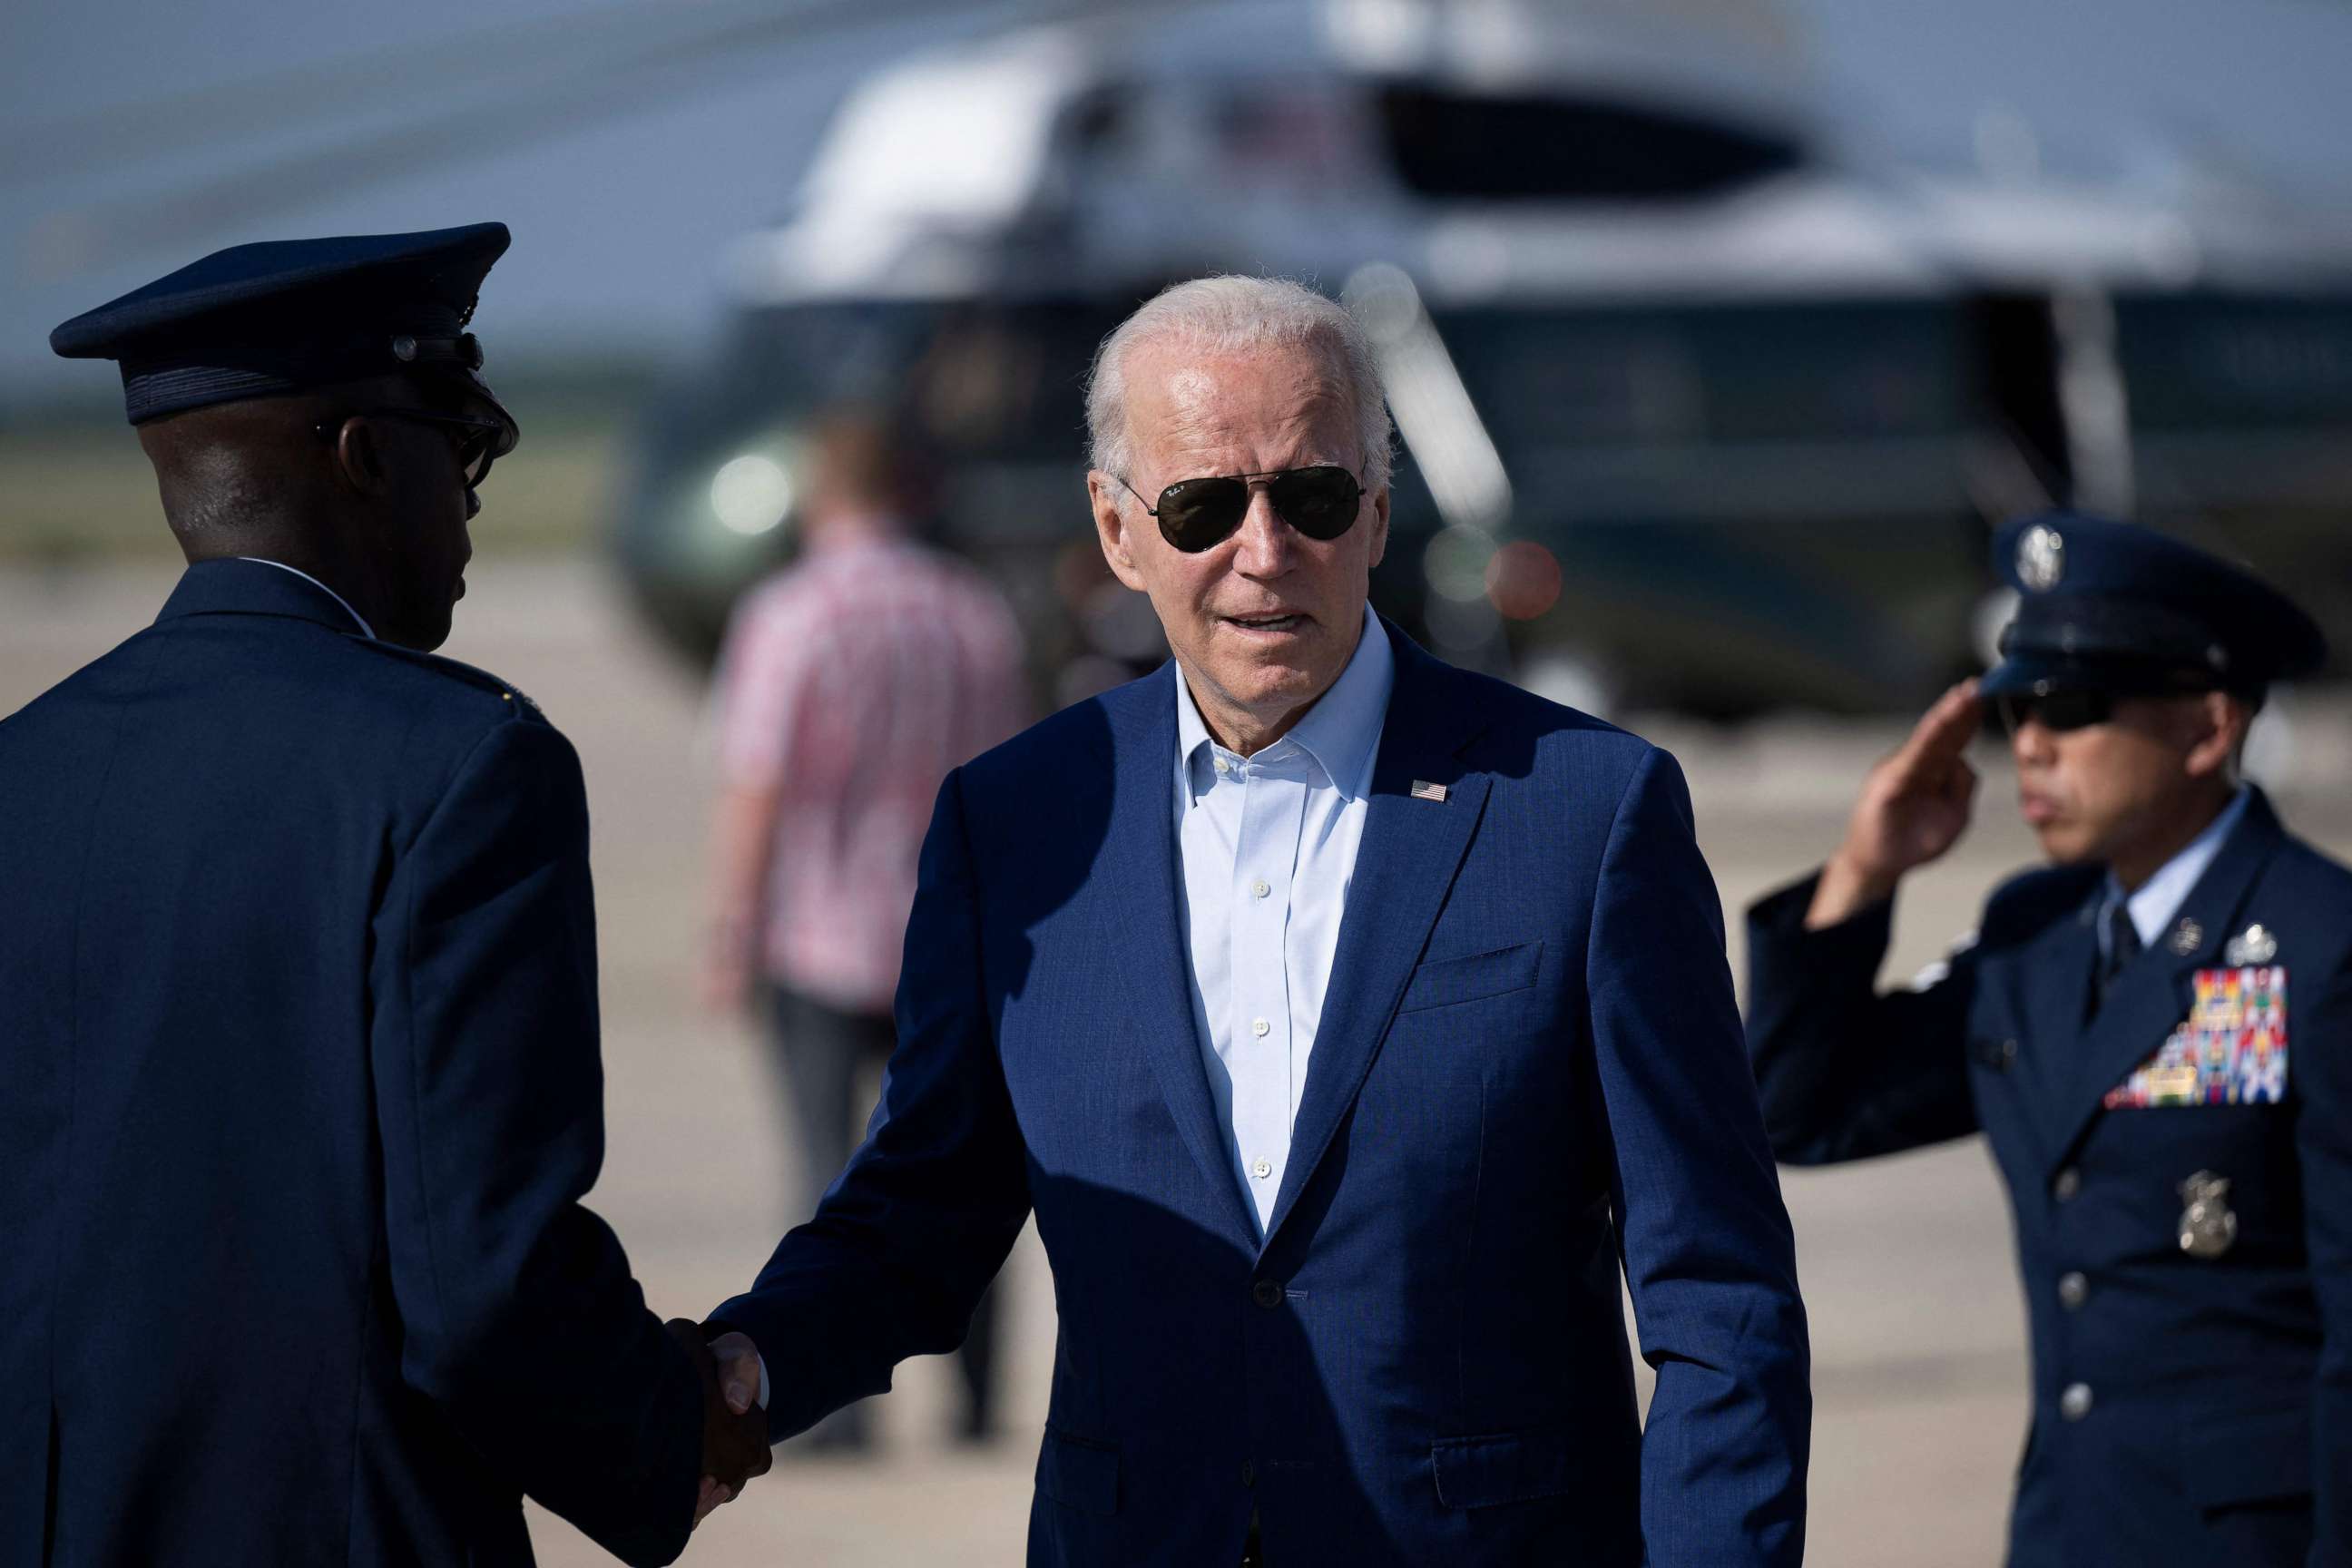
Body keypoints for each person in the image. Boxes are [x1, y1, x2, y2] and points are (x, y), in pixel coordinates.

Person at [698, 276, 1811, 1565]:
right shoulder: (1015, 824)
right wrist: (740, 1368)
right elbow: (919, 1215)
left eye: (1316, 497)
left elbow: (1719, 1295)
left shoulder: (1585, 813)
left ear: (1381, 512)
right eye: (1204, 506)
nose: (1265, 551)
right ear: (1119, 533)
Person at [1, 224, 766, 1567]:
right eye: (462, 454)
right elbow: (477, 1287)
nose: (469, 506)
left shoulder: (27, 760)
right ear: (363, 459)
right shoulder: (461, 765)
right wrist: (663, 1433)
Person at [1744, 513, 2348, 1566]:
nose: (2030, 743)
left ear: (2208, 729)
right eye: (2018, 707)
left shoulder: (2320, 942)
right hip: (2070, 1530)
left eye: (2073, 707)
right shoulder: (2040, 936)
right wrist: (1865, 872)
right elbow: (1804, 1109)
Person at [701, 408, 1026, 1447]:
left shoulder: (790, 613)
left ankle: (832, 1409)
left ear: (821, 490)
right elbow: (1014, 778)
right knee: (967, 1178)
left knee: (827, 1173)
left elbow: (757, 783)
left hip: (819, 933)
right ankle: (976, 1404)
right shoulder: (972, 609)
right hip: (950, 936)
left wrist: (731, 928)